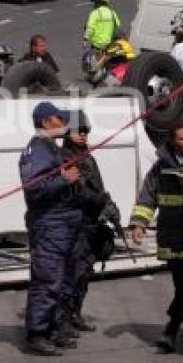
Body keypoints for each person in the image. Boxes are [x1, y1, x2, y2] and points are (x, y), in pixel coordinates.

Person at [130, 117, 183, 354]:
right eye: (182, 138)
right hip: (173, 235)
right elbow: (148, 196)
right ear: (172, 142)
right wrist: (139, 224)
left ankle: (170, 331)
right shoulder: (161, 166)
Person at [19, 102, 82, 356]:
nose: (65, 123)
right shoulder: (37, 150)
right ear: (46, 122)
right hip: (49, 224)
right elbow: (34, 188)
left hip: (64, 224)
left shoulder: (51, 148)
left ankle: (53, 328)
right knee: (47, 280)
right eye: (60, 119)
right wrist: (63, 180)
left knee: (64, 279)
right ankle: (38, 334)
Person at [61, 111, 119, 333]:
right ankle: (65, 317)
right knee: (75, 272)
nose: (83, 134)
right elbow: (79, 191)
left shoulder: (87, 155)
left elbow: (97, 186)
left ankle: (75, 314)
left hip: (91, 221)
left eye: (86, 131)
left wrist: (108, 204)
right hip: (77, 222)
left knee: (85, 272)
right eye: (79, 131)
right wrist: (101, 202)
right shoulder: (66, 157)